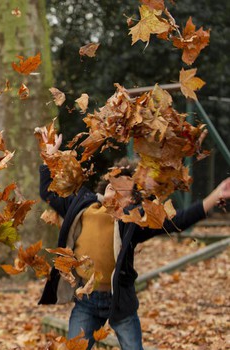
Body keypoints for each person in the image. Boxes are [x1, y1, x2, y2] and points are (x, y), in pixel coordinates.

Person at [37, 131, 230, 349]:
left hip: (120, 302)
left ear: (132, 199)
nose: (116, 182)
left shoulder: (133, 221)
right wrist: (49, 155)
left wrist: (215, 196)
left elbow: (179, 221)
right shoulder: (84, 205)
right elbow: (48, 192)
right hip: (86, 302)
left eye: (125, 182)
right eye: (115, 177)